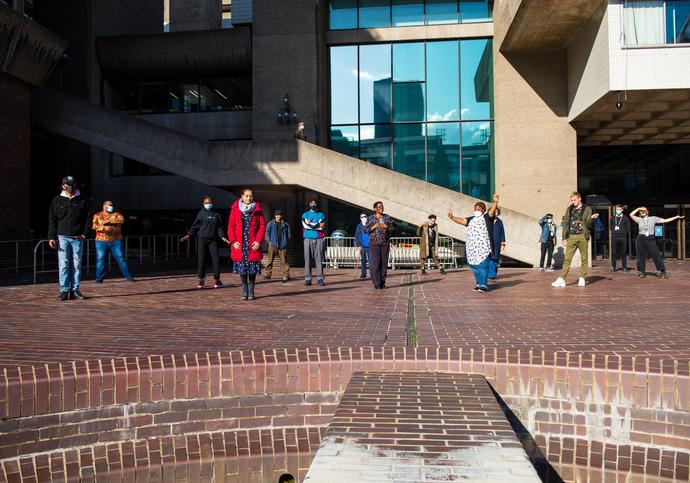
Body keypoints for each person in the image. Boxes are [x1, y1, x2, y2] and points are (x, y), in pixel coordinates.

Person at [48, 176, 91, 301]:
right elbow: (52, 220)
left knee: (77, 264)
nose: (69, 186)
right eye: (66, 184)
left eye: (71, 184)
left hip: (77, 238)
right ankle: (64, 290)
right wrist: (51, 237)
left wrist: (84, 234)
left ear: (75, 185)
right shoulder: (57, 200)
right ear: (62, 185)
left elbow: (88, 219)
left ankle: (75, 290)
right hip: (62, 237)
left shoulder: (83, 200)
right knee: (63, 264)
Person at [448, 194, 499, 293]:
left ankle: (484, 284)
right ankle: (478, 284)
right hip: (472, 247)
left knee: (482, 266)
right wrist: (452, 217)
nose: (476, 210)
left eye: (479, 209)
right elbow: (463, 221)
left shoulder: (487, 217)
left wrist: (495, 202)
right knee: (474, 267)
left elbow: (492, 212)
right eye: (475, 209)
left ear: (483, 210)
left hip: (483, 247)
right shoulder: (472, 219)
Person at [551, 191, 599, 288]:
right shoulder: (570, 208)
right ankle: (561, 279)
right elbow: (565, 223)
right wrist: (564, 238)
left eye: (575, 200)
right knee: (567, 259)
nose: (573, 202)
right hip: (571, 237)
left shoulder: (587, 209)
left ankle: (582, 278)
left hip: (582, 236)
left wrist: (592, 218)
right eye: (572, 200)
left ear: (579, 199)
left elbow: (589, 225)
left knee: (584, 258)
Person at [181, 197, 230, 288]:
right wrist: (189, 235)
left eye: (210, 202)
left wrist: (222, 236)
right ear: (203, 203)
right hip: (202, 239)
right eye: (206, 203)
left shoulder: (216, 214)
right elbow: (195, 226)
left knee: (216, 260)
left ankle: (217, 279)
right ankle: (201, 279)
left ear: (212, 203)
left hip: (213, 240)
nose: (208, 204)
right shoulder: (200, 214)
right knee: (201, 260)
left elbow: (219, 227)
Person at [228, 189, 266, 300]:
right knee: (242, 269)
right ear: (242, 196)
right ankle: (244, 289)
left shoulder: (258, 209)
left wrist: (259, 241)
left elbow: (262, 227)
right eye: (246, 196)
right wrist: (233, 241)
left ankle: (251, 289)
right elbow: (231, 227)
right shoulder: (235, 209)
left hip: (252, 244)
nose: (248, 198)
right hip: (240, 244)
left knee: (252, 269)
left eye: (251, 196)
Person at [629, 206, 684, 279]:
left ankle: (662, 271)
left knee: (656, 254)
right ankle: (642, 272)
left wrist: (676, 217)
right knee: (640, 256)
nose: (642, 212)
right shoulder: (639, 219)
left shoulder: (653, 218)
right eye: (640, 211)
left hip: (650, 238)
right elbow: (631, 214)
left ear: (647, 212)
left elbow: (665, 220)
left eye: (644, 211)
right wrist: (639, 208)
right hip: (640, 238)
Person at [92, 200, 135, 284]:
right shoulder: (97, 215)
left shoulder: (117, 214)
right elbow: (94, 226)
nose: (111, 207)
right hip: (101, 241)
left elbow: (121, 220)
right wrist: (103, 228)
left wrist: (109, 222)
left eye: (111, 205)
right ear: (104, 206)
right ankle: (99, 278)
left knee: (120, 258)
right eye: (109, 205)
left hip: (116, 240)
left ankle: (128, 276)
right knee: (100, 259)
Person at [365, 201, 396, 289]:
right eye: (379, 207)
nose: (381, 208)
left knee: (384, 264)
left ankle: (383, 283)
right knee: (376, 264)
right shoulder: (371, 218)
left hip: (385, 243)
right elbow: (365, 230)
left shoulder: (387, 217)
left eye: (382, 206)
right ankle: (377, 283)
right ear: (375, 209)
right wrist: (373, 227)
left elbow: (393, 228)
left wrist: (387, 227)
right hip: (374, 243)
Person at [301, 198, 326, 286]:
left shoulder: (321, 215)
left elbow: (322, 226)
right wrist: (317, 225)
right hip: (308, 238)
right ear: (309, 204)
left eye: (315, 203)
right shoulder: (305, 215)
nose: (313, 204)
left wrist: (313, 224)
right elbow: (306, 225)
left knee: (319, 259)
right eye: (311, 203)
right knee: (307, 259)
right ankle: (308, 278)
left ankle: (320, 278)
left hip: (319, 238)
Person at [264, 209, 291, 282]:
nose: (279, 216)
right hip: (272, 245)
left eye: (280, 215)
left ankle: (286, 275)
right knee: (270, 261)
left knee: (284, 261)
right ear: (275, 216)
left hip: (282, 246)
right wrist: (269, 242)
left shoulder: (285, 224)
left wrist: (286, 242)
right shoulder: (270, 224)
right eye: (277, 215)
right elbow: (267, 233)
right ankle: (267, 274)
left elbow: (289, 234)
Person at [609, 204, 631, 273]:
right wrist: (613, 231)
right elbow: (610, 226)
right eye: (617, 209)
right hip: (614, 236)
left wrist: (623, 232)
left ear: (622, 210)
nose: (618, 211)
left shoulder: (625, 218)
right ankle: (613, 267)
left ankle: (624, 267)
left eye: (619, 209)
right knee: (613, 252)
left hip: (623, 237)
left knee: (623, 252)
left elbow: (628, 227)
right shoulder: (612, 218)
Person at [488, 208, 506, 280]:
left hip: (497, 242)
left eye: (497, 212)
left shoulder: (500, 222)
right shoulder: (488, 221)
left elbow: (502, 233)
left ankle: (494, 272)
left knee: (496, 258)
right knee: (491, 258)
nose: (495, 213)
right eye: (494, 212)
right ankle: (491, 274)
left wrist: (503, 243)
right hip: (489, 242)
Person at [354, 213, 369, 279]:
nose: (363, 218)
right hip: (362, 246)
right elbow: (356, 236)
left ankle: (373, 273)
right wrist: (358, 245)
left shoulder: (369, 225)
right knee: (363, 260)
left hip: (369, 246)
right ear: (360, 218)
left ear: (367, 217)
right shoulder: (359, 226)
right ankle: (363, 273)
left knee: (371, 261)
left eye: (364, 216)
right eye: (362, 217)